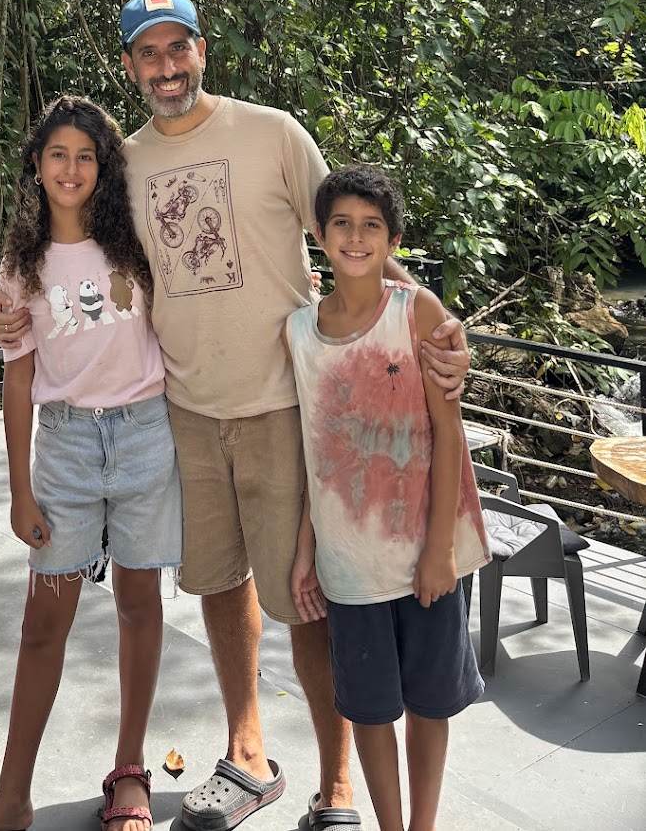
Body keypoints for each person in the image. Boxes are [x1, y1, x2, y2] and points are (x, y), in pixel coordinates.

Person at [0, 0, 470, 831]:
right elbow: (81, 263)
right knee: (218, 584)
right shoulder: (123, 162)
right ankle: (248, 752)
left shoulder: (274, 132)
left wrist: (429, 320)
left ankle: (338, 782)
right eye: (149, 52)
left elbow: (353, 242)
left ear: (203, 51)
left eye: (180, 48)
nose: (167, 66)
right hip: (181, 408)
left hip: (284, 401)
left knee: (308, 597)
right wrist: (8, 315)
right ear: (131, 64)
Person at [0, 96, 180, 831]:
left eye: (86, 155)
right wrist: (20, 490)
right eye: (57, 155)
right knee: (45, 625)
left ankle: (129, 774)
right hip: (67, 447)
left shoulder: (137, 241)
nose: (71, 169)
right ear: (37, 167)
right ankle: (11, 800)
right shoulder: (20, 262)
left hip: (146, 436)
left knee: (140, 606)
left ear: (103, 166)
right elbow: (17, 375)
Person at [286, 165, 488, 831]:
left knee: (430, 705)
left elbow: (447, 430)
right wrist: (306, 549)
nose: (355, 236)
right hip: (350, 567)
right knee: (370, 711)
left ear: (393, 239)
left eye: (372, 225)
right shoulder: (298, 331)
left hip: (425, 557)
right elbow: (317, 450)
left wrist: (438, 552)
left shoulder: (418, 312)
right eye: (340, 223)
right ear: (319, 235)